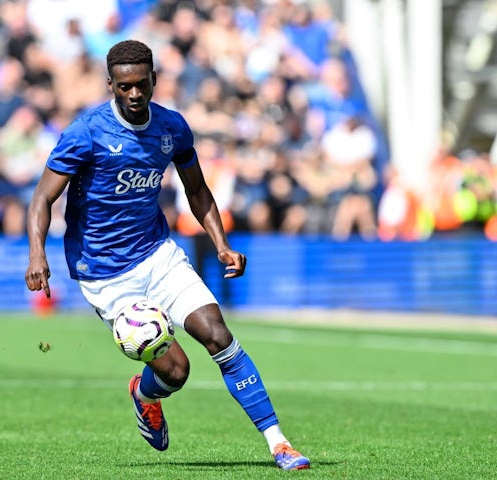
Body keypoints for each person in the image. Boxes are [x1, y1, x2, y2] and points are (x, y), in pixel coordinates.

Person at [24, 39, 310, 471]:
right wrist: (36, 255)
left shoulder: (172, 127)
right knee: (176, 372)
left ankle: (279, 443)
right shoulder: (85, 133)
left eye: (142, 84)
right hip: (104, 273)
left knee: (217, 333)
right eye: (124, 88)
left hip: (157, 254)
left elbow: (197, 191)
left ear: (154, 79)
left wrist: (221, 245)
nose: (134, 94)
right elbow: (42, 199)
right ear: (111, 86)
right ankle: (144, 394)